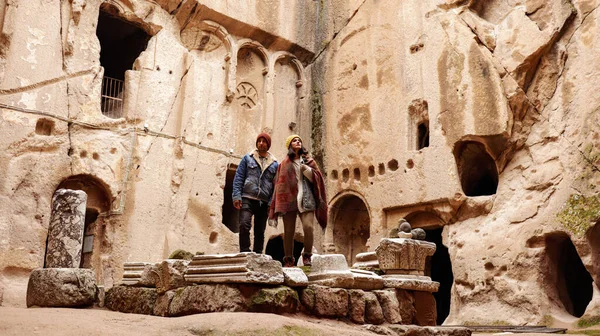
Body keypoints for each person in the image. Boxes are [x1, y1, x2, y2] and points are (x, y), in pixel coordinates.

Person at [269, 135, 327, 267]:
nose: (298, 142)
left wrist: (307, 170)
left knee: (308, 227)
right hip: (289, 200)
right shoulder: (283, 164)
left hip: (307, 199)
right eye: (295, 141)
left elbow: (318, 179)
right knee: (288, 231)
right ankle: (288, 259)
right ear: (290, 145)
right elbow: (279, 184)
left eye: (300, 140)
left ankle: (307, 255)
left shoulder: (309, 162)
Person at [232, 133, 278, 253]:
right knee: (244, 224)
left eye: (264, 141)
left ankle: (258, 255)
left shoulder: (275, 164)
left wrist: (270, 204)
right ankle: (244, 252)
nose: (261, 143)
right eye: (259, 141)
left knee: (260, 230)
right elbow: (239, 177)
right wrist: (236, 196)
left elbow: (276, 186)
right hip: (247, 197)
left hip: (263, 201)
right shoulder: (248, 158)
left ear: (268, 144)